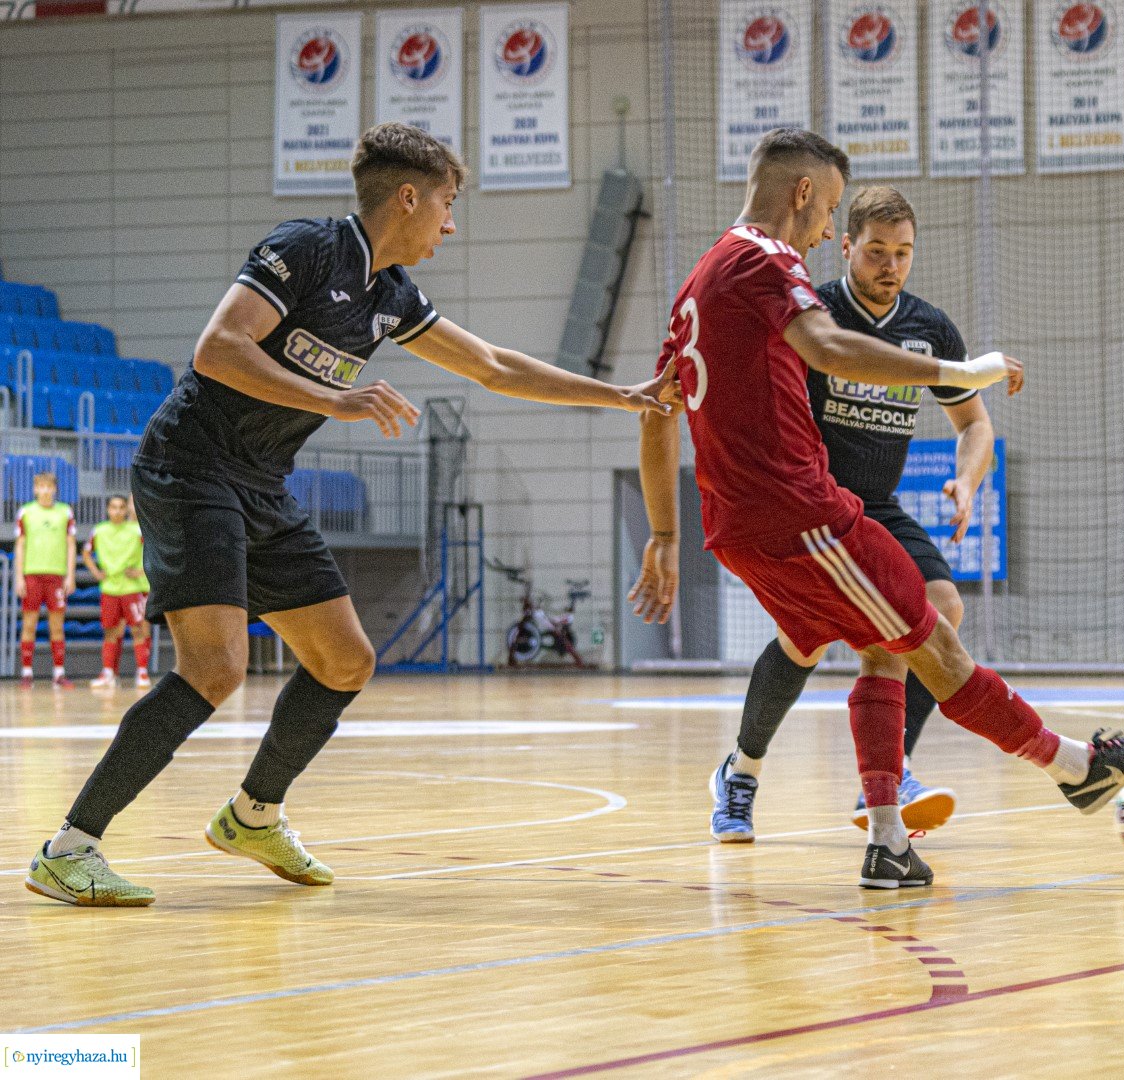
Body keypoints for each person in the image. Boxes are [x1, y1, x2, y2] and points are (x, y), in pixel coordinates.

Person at [24, 122, 673, 908]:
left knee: (345, 659)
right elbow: (218, 348)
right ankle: (71, 846)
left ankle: (253, 814)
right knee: (217, 667)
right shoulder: (306, 248)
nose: (451, 223)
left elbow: (495, 366)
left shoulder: (391, 294)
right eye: (446, 204)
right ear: (409, 196)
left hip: (261, 483)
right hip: (190, 467)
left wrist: (623, 394)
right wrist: (338, 398)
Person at [632, 127, 1124, 889]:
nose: (827, 233)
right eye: (833, 219)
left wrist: (663, 530)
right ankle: (1077, 768)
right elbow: (828, 347)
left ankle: (887, 839)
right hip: (803, 511)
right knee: (934, 646)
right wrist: (963, 368)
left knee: (888, 640)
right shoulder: (769, 262)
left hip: (747, 522)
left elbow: (655, 409)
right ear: (805, 197)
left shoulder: (699, 280)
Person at [709, 185, 990, 843]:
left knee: (940, 606)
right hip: (807, 503)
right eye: (875, 253)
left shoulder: (928, 329)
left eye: (902, 253)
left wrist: (966, 479)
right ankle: (742, 772)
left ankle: (895, 772)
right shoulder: (813, 309)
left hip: (879, 507)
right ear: (845, 248)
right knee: (804, 641)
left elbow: (974, 422)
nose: (889, 266)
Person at [83, 494, 152, 690]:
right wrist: (96, 572)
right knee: (110, 632)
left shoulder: (138, 530)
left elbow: (154, 550)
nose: (118, 511)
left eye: (122, 507)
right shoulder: (99, 531)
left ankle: (142, 672)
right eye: (114, 507)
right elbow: (86, 552)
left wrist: (140, 571)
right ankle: (108, 674)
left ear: (126, 509)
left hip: (132, 589)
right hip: (110, 589)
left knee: (138, 629)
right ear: (107, 509)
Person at [14, 471, 75, 688]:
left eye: (49, 486)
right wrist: (19, 577)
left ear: (55, 489)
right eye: (41, 486)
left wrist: (71, 575)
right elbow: (20, 545)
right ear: (35, 489)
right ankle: (27, 673)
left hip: (56, 577)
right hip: (32, 575)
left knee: (57, 626)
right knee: (29, 624)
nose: (46, 490)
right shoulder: (26, 512)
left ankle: (59, 673)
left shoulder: (65, 512)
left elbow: (71, 544)